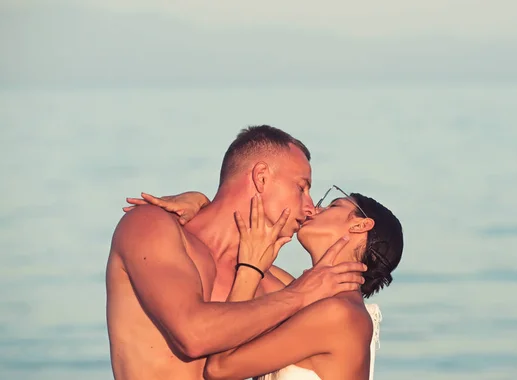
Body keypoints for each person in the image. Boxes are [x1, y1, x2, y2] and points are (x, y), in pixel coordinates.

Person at [106, 125, 367, 380]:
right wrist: (298, 295)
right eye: (301, 188)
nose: (310, 207)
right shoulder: (151, 226)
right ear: (261, 177)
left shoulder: (269, 283)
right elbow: (192, 336)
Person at [131, 185, 404, 380]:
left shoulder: (338, 313)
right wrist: (203, 203)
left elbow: (219, 368)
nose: (314, 209)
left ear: (360, 226)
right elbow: (226, 255)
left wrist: (250, 270)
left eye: (334, 205)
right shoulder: (304, 292)